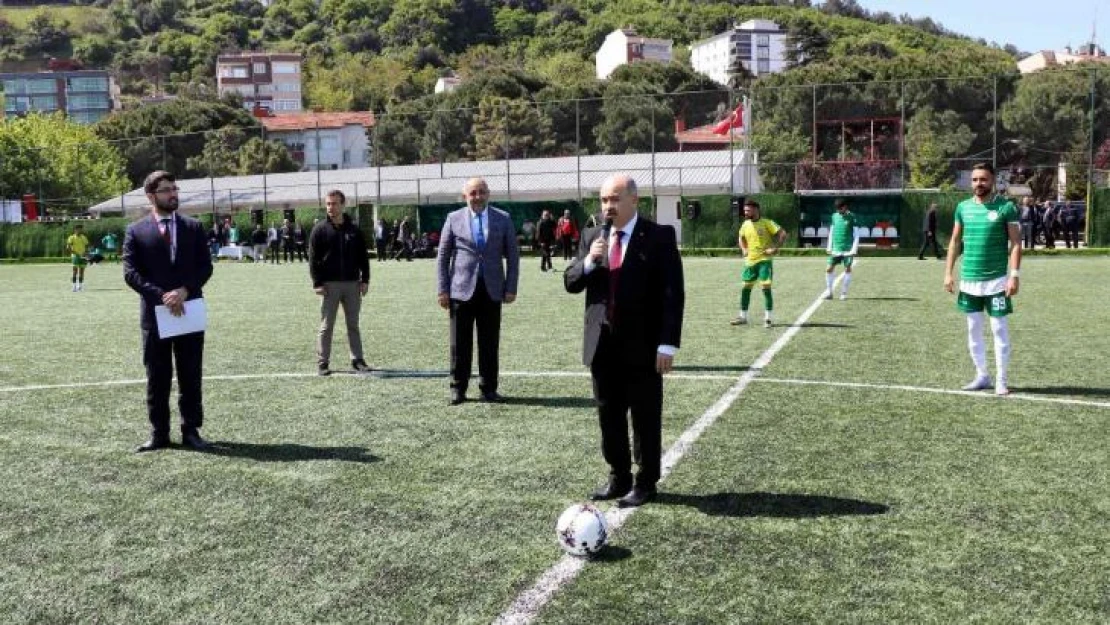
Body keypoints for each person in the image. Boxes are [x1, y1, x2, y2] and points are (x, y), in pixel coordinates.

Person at [564, 174, 684, 508]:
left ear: (634, 200)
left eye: (615, 199)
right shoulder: (591, 237)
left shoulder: (658, 236)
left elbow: (672, 293)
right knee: (609, 414)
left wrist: (667, 344)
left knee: (645, 415)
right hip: (602, 344)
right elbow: (571, 282)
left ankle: (646, 481)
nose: (608, 206)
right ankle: (618, 476)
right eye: (604, 200)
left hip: (644, 346)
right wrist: (589, 262)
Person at [122, 170, 214, 452]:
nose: (173, 194)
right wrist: (162, 296)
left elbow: (205, 267)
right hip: (155, 316)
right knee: (157, 377)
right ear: (151, 196)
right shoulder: (136, 231)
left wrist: (184, 291)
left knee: (190, 374)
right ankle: (159, 433)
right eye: (166, 190)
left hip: (189, 311)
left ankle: (191, 431)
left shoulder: (194, 227)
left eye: (175, 189)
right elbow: (130, 273)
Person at [436, 177, 520, 405]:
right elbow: (443, 257)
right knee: (459, 344)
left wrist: (511, 287)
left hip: (492, 291)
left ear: (488, 194)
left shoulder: (503, 219)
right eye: (473, 193)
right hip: (460, 291)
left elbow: (513, 256)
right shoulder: (453, 219)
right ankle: (458, 388)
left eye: (482, 192)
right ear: (466, 196)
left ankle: (489, 389)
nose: (477, 197)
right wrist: (442, 289)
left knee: (489, 343)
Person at [944, 162, 1021, 396]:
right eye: (975, 179)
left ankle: (1001, 379)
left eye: (983, 179)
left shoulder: (1006, 207)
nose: (979, 183)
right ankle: (981, 375)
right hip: (969, 280)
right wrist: (948, 272)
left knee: (999, 329)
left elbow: (1016, 243)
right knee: (973, 329)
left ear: (993, 181)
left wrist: (1014, 276)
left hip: (996, 281)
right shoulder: (963, 207)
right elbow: (955, 242)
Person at [308, 189, 371, 376]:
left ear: (343, 205)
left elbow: (363, 257)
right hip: (329, 286)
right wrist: (317, 282)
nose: (330, 207)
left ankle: (357, 360)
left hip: (352, 284)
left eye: (334, 203)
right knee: (327, 325)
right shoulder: (319, 230)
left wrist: (365, 279)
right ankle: (323, 362)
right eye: (328, 203)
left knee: (353, 324)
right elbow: (313, 259)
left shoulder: (354, 229)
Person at [732, 199, 786, 328]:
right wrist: (744, 249)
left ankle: (768, 318)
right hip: (750, 261)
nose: (745, 212)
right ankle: (742, 317)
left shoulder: (766, 222)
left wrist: (775, 248)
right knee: (746, 288)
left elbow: (782, 234)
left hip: (764, 261)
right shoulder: (745, 224)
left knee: (765, 287)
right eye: (745, 210)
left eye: (748, 210)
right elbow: (741, 237)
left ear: (756, 210)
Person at [824, 199, 858, 300]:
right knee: (828, 269)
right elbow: (831, 232)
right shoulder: (834, 216)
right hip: (836, 248)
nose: (839, 210)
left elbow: (856, 234)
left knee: (847, 269)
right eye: (837, 209)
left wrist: (854, 249)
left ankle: (844, 293)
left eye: (840, 208)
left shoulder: (852, 217)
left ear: (845, 206)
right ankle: (829, 292)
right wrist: (829, 246)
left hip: (848, 249)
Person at [66, 223, 90, 292]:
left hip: (83, 256)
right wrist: (74, 252)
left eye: (80, 229)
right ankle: (74, 287)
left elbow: (87, 245)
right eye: (78, 229)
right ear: (75, 230)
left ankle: (80, 286)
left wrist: (86, 253)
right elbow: (68, 247)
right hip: (75, 256)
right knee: (74, 271)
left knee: (81, 272)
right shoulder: (71, 237)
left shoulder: (83, 237)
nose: (79, 230)